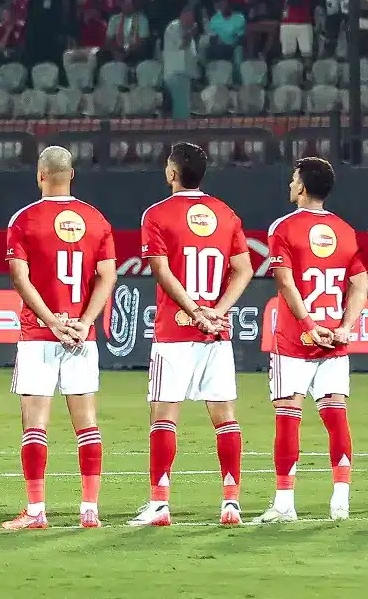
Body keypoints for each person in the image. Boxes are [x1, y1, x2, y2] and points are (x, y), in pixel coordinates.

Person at [129, 142, 254, 527]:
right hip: (216, 334)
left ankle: (159, 504)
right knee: (225, 417)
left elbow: (161, 270)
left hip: (174, 332)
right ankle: (231, 502)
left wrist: (195, 311)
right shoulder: (225, 214)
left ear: (172, 173)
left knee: (164, 416)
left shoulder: (157, 214)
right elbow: (245, 269)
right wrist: (218, 311)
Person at [1, 146, 117, 530]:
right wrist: (84, 322)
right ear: (72, 175)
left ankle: (36, 511)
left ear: (40, 175)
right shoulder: (95, 219)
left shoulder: (25, 219)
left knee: (35, 424)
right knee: (87, 423)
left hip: (39, 333)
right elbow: (107, 276)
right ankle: (89, 509)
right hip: (82, 337)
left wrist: (51, 321)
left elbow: (20, 278)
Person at [255, 157, 366, 524]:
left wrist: (307, 324)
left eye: (293, 180)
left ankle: (285, 504)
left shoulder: (284, 226)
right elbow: (360, 283)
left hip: (295, 341)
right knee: (336, 417)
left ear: (302, 187)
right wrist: (346, 326)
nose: (290, 185)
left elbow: (285, 281)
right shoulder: (344, 230)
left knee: (288, 418)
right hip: (334, 340)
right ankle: (341, 502)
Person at [162, 8, 200, 120]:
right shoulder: (173, 27)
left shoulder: (189, 34)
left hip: (186, 76)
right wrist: (191, 32)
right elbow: (182, 44)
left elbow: (192, 56)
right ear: (182, 16)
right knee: (182, 105)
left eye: (192, 19)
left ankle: (182, 125)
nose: (190, 21)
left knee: (185, 104)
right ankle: (181, 127)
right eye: (188, 18)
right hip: (175, 74)